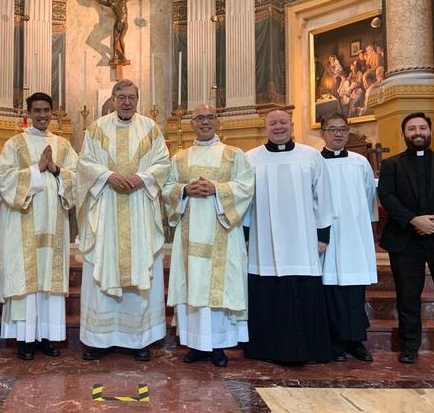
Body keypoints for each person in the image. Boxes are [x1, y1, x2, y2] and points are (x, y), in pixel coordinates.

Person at [76, 79, 170, 361]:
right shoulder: (96, 128)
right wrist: (108, 176)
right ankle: (98, 339)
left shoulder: (150, 129)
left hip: (139, 205)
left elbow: (163, 163)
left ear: (138, 99)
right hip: (106, 207)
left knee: (140, 267)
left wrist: (141, 178)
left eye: (132, 97)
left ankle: (138, 338)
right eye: (121, 97)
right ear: (113, 99)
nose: (127, 102)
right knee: (102, 266)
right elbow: (84, 162)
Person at [163, 105, 254, 367]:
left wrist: (217, 188)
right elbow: (166, 189)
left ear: (218, 122)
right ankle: (195, 343)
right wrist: (183, 190)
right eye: (199, 118)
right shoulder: (180, 158)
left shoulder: (234, 155)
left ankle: (218, 345)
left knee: (219, 286)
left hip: (222, 229)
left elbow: (247, 186)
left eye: (210, 117)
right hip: (189, 234)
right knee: (192, 284)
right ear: (192, 123)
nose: (205, 122)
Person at [244, 109, 334, 364]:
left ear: (292, 125)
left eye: (283, 122)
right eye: (272, 123)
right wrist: (247, 236)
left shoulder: (310, 156)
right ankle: (266, 349)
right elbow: (244, 202)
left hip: (303, 240)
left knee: (302, 291)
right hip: (264, 242)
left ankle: (309, 349)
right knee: (268, 291)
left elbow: (323, 198)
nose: (278, 127)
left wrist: (323, 235)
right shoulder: (251, 159)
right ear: (265, 127)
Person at [378, 112, 434, 364]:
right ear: (404, 134)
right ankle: (409, 347)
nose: (417, 133)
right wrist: (413, 220)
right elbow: (387, 196)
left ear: (430, 131)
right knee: (407, 297)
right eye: (411, 129)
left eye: (422, 128)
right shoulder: (391, 165)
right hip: (405, 240)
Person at [0, 92, 77, 360]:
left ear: (53, 113)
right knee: (28, 277)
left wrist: (55, 169)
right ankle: (25, 339)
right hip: (23, 223)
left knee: (49, 279)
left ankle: (48, 336)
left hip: (54, 224)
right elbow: (5, 180)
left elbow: (77, 180)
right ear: (28, 112)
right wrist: (35, 169)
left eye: (47, 110)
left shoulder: (63, 145)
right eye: (37, 110)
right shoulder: (14, 144)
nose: (42, 115)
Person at [319, 113, 377, 362]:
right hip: (326, 235)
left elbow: (368, 198)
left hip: (354, 233)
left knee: (354, 289)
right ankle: (334, 342)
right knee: (329, 288)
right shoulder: (313, 162)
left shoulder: (360, 162)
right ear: (323, 132)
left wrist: (366, 231)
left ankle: (356, 341)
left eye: (342, 129)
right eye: (332, 129)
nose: (338, 134)